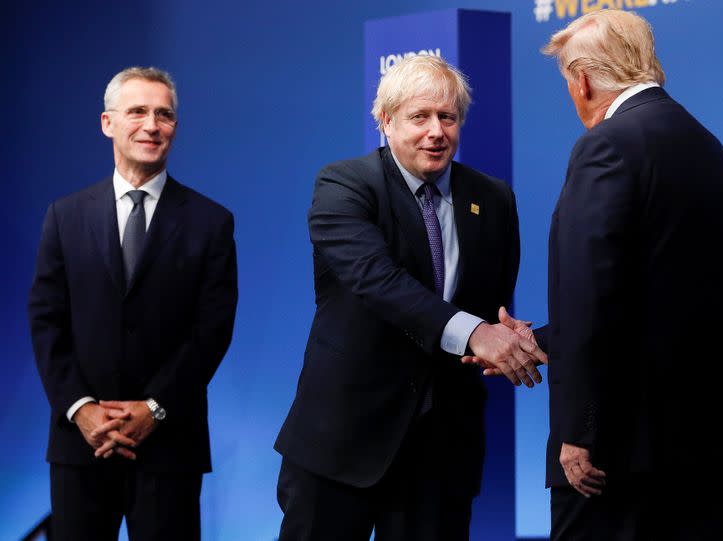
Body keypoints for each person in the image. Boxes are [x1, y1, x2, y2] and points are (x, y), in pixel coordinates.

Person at [480, 9, 723, 540]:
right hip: (716, 429)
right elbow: (666, 297)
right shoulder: (705, 142)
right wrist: (539, 340)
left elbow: (589, 293)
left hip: (626, 445)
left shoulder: (606, 145)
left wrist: (579, 432)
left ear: (582, 79)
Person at [274, 55, 546, 540]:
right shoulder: (345, 184)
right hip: (344, 441)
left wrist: (507, 334)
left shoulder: (494, 197)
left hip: (441, 449)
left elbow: (491, 304)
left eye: (448, 117)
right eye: (419, 117)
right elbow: (376, 280)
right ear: (385, 121)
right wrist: (475, 333)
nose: (435, 132)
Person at [28, 66, 238, 541]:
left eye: (164, 115)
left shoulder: (211, 222)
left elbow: (212, 331)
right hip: (81, 445)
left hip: (169, 445)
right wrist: (81, 409)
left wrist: (155, 407)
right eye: (138, 111)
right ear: (108, 123)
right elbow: (46, 321)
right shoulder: (65, 216)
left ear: (175, 128)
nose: (152, 125)